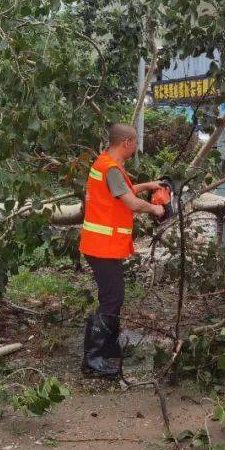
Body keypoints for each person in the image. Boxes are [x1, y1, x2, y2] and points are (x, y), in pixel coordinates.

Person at [78, 123, 165, 377]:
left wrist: (149, 186)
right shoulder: (112, 169)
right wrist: (154, 209)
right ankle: (93, 360)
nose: (135, 147)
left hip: (101, 245)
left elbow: (122, 191)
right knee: (112, 296)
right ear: (126, 142)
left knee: (113, 295)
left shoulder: (105, 164)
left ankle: (109, 348)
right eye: (135, 143)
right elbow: (129, 202)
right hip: (101, 246)